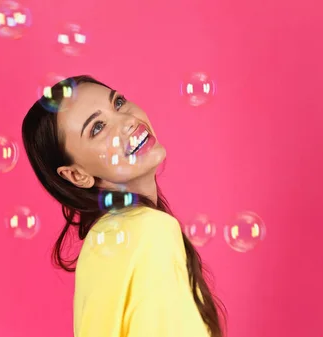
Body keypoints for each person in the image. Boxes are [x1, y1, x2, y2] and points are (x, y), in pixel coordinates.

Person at [21, 75, 226, 337]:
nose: (128, 121)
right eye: (97, 127)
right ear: (76, 175)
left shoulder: (102, 242)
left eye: (118, 103)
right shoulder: (150, 232)